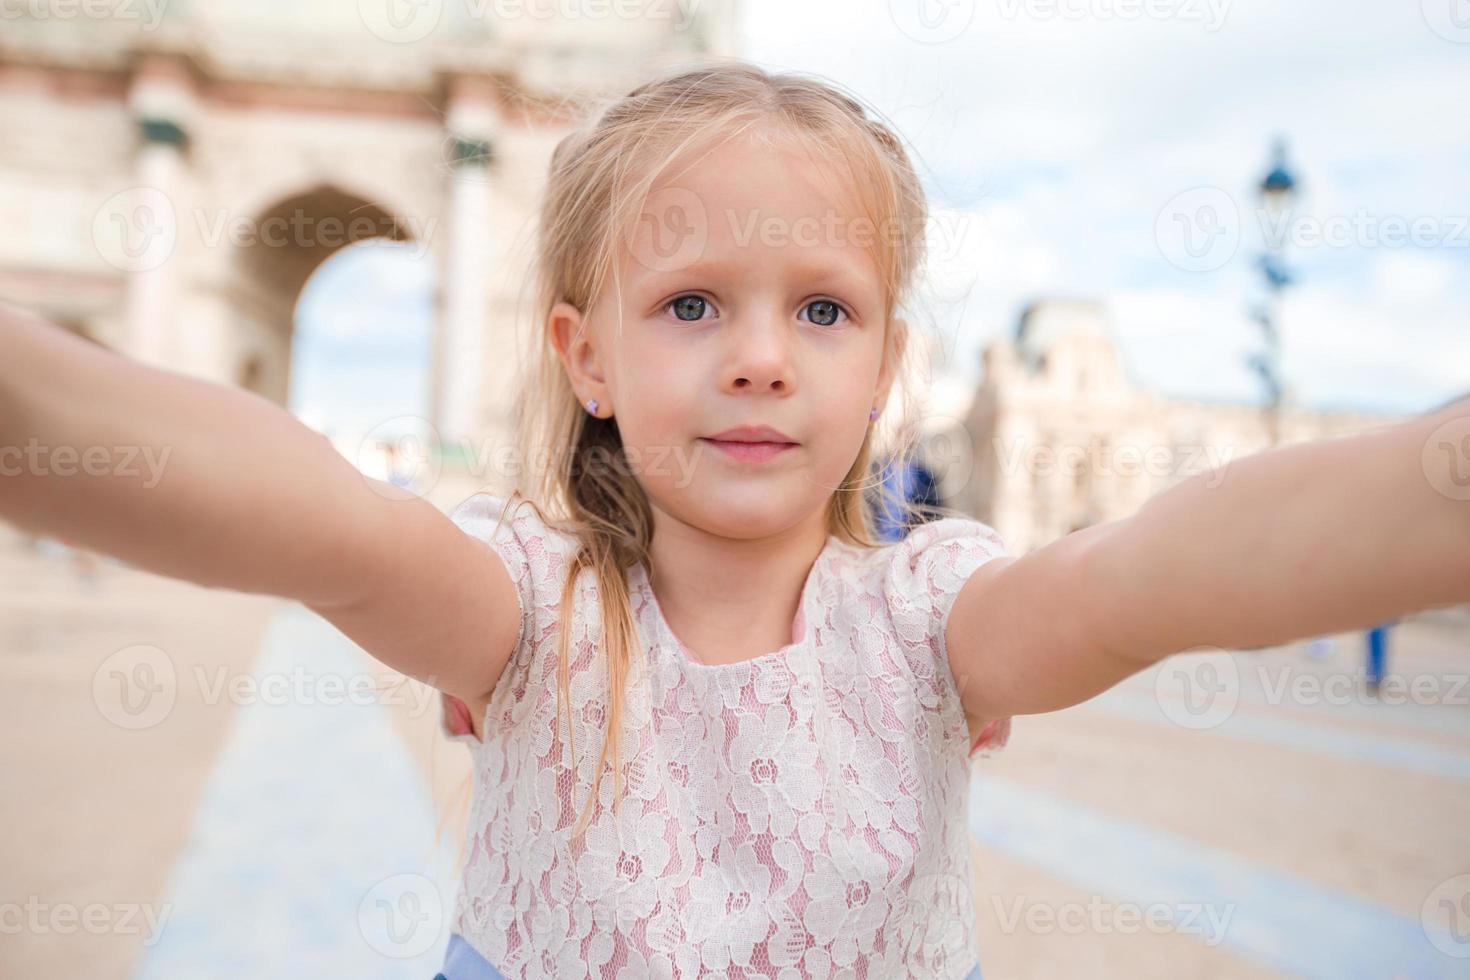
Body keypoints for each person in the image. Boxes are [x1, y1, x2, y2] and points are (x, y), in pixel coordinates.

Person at [3, 61, 1468, 980]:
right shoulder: (524, 602)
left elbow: (1163, 573)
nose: (759, 354)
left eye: (821, 309)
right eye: (691, 302)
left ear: (888, 367)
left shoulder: (932, 618)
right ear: (585, 357)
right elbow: (318, 519)